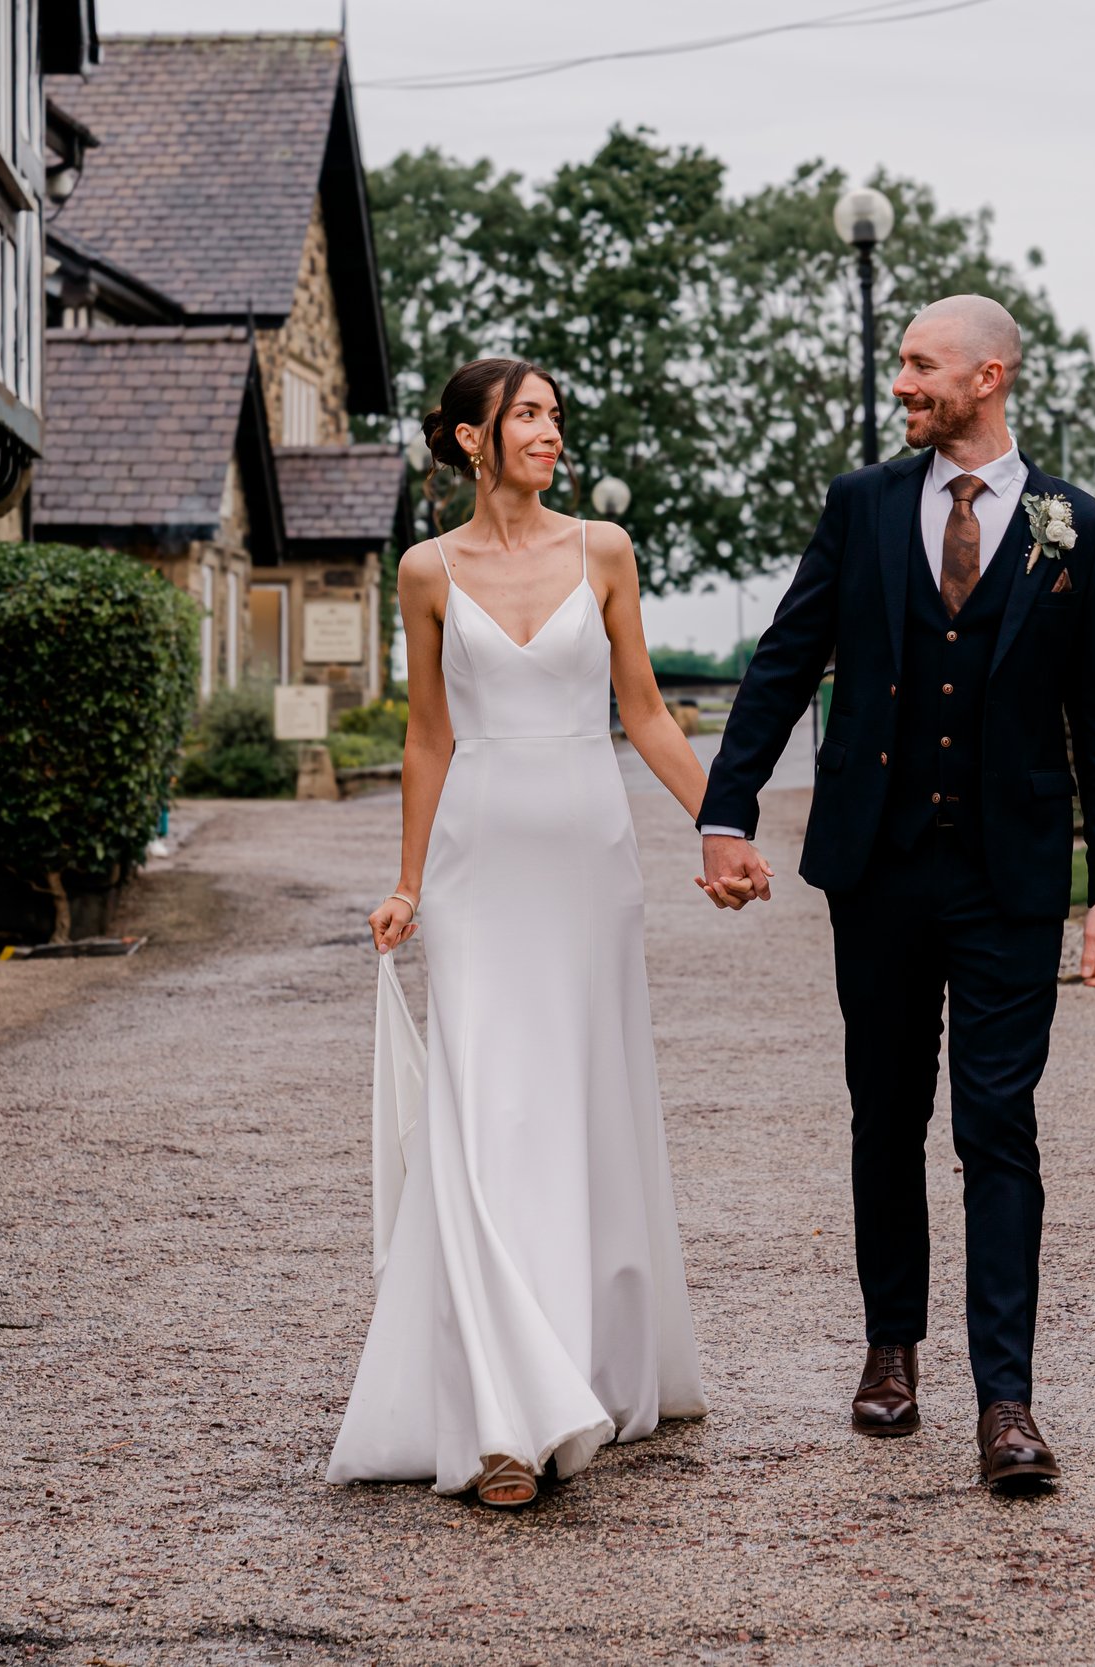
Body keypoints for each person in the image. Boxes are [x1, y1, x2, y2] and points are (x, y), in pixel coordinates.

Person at [696, 295, 1095, 1492]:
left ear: (986, 376)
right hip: (879, 865)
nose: (902, 382)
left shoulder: (1076, 530)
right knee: (886, 1108)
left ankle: (1008, 1403)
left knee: (998, 1123)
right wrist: (724, 809)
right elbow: (786, 656)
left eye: (920, 364)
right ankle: (890, 1347)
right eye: (898, 363)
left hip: (1008, 877)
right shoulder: (864, 505)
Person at [327, 358, 754, 1508]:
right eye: (528, 414)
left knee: (575, 1104)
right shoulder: (423, 571)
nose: (550, 432)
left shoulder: (600, 553)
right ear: (471, 438)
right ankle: (504, 1417)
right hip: (477, 871)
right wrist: (408, 884)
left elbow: (647, 712)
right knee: (483, 1113)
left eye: (556, 416)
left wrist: (720, 827)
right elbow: (427, 737)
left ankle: (587, 1360)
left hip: (586, 867)